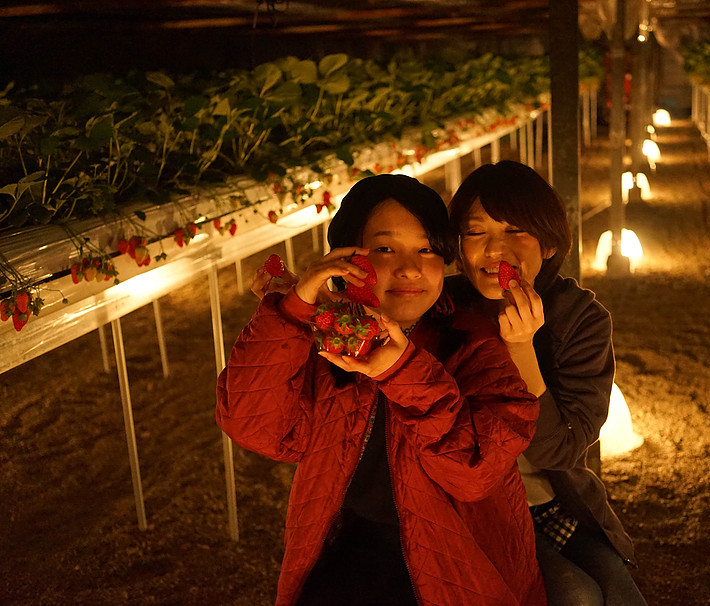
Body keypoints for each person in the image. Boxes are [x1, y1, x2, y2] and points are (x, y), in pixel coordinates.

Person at [216, 173, 546, 606]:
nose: (409, 268)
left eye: (427, 249)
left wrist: (403, 370)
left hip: (456, 569)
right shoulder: (328, 343)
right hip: (343, 561)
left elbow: (476, 472)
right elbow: (255, 426)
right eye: (385, 248)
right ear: (343, 259)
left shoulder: (474, 344)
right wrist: (294, 311)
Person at [446, 161, 646, 606]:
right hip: (476, 511)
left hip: (554, 501)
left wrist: (523, 350)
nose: (496, 249)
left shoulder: (580, 321)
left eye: (516, 229)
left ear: (551, 243)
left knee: (619, 591)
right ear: (457, 246)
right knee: (577, 595)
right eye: (477, 232)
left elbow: (560, 451)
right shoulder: (441, 310)